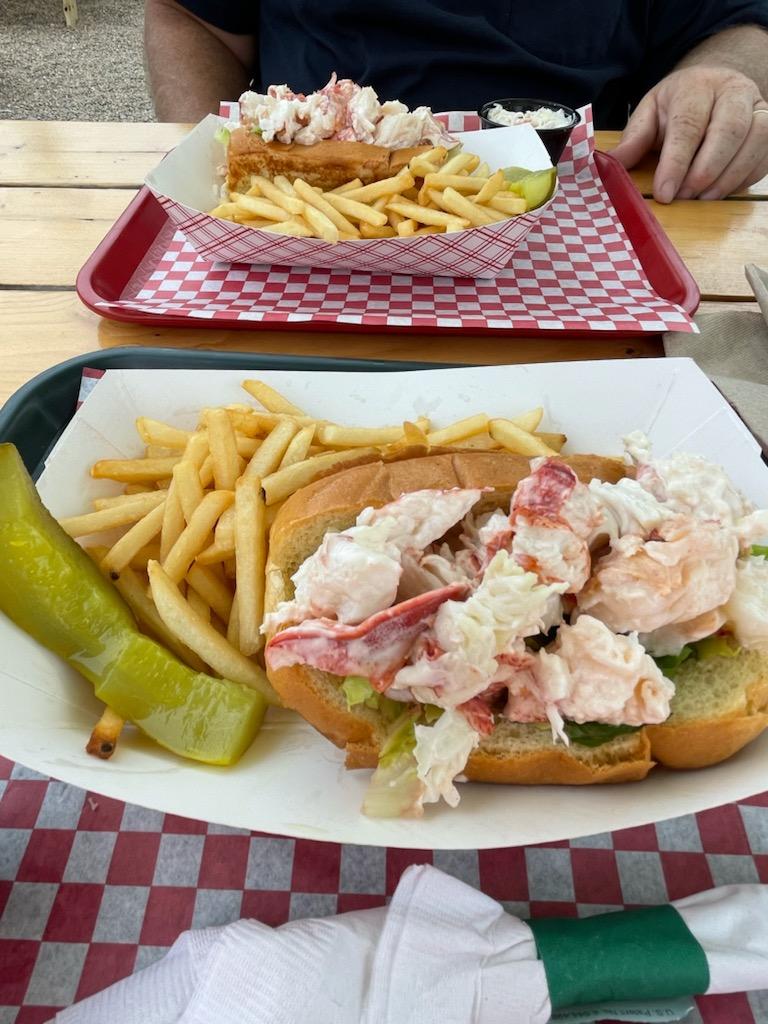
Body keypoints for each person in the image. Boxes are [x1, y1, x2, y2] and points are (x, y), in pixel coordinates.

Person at [144, 0, 768, 202]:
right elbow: (191, 16)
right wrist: (209, 168)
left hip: (575, 206)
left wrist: (721, 76)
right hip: (289, 227)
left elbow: (736, 22)